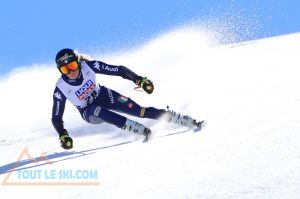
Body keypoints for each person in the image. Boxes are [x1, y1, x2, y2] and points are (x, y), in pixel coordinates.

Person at [52, 48, 204, 150]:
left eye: (72, 65)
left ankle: (180, 119)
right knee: (94, 109)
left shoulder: (89, 66)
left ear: (78, 62)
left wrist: (139, 80)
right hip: (88, 112)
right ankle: (136, 128)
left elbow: (119, 70)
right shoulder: (61, 88)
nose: (70, 71)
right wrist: (63, 134)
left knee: (140, 111)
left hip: (104, 96)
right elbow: (56, 117)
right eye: (65, 69)